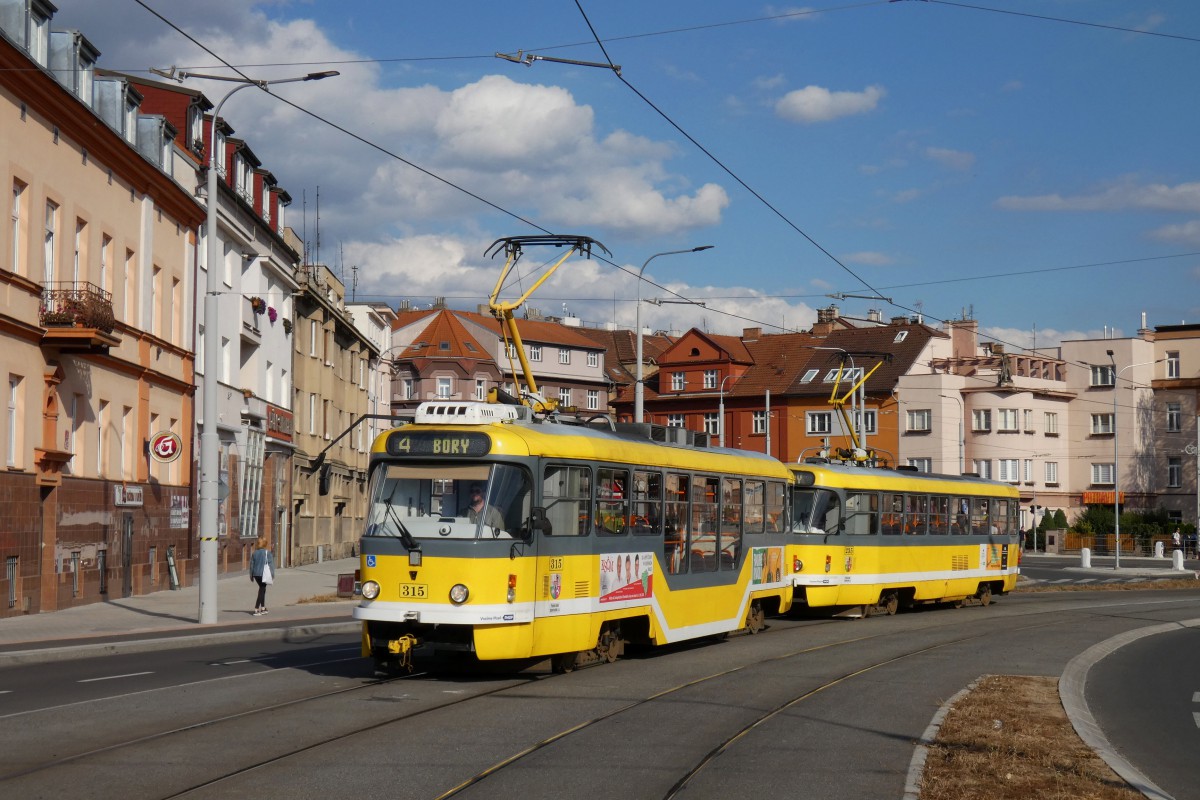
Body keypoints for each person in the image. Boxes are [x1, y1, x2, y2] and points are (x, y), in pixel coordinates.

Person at [249, 543, 274, 616]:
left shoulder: (254, 553)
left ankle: (263, 608)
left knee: (263, 589)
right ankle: (256, 609)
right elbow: (271, 565)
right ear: (265, 544)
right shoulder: (267, 553)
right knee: (262, 589)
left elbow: (251, 565)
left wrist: (251, 575)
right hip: (264, 574)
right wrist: (272, 575)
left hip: (256, 574)